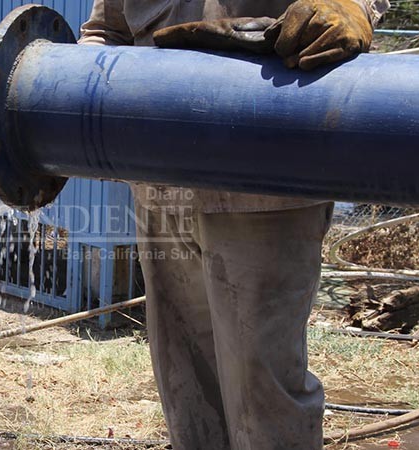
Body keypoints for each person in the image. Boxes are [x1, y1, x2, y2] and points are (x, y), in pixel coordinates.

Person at [79, 0, 388, 449]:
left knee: (263, 395)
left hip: (265, 182)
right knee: (186, 384)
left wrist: (352, 7)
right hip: (160, 183)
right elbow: (105, 32)